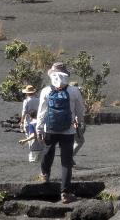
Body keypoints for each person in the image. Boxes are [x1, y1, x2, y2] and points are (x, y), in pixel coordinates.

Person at [35, 63, 85, 204]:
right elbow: (80, 110)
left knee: (48, 151)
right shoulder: (74, 91)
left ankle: (45, 175)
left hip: (50, 128)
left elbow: (41, 112)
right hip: (68, 130)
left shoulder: (46, 91)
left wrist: (39, 128)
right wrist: (79, 121)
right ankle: (65, 193)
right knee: (66, 161)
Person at [19, 85, 43, 162]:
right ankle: (39, 154)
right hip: (38, 120)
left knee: (30, 137)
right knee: (38, 135)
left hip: (29, 121)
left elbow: (24, 112)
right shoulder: (38, 100)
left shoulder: (26, 101)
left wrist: (21, 121)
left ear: (27, 93)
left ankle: (33, 155)